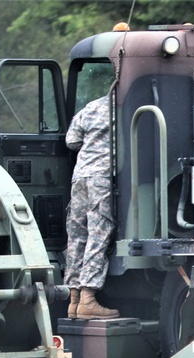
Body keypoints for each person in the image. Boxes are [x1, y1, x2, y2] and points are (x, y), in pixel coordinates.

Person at [64, 93, 119, 319]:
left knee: (77, 235)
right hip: (102, 177)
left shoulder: (91, 105)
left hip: (80, 177)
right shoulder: (125, 107)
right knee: (99, 233)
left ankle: (74, 300)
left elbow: (71, 140)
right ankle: (88, 299)